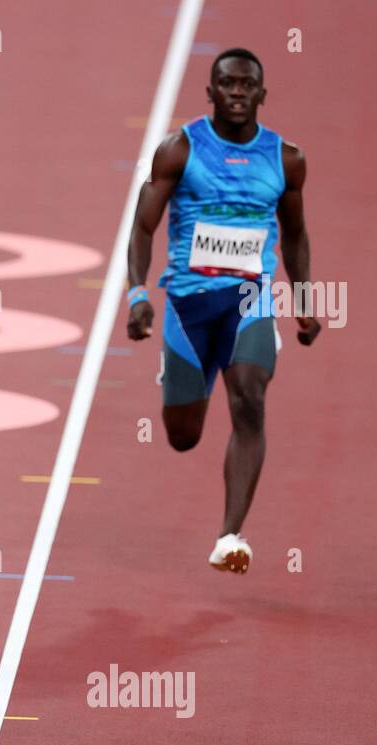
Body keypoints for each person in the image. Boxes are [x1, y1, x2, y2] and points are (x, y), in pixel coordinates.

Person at [126, 48, 320, 573]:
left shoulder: (286, 159)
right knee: (183, 436)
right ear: (210, 93)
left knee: (250, 399)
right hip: (188, 308)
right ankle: (181, 376)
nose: (237, 92)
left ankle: (230, 535)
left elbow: (297, 233)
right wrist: (137, 294)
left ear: (261, 94)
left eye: (246, 85)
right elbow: (143, 227)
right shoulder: (179, 149)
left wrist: (304, 297)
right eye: (227, 84)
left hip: (249, 302)